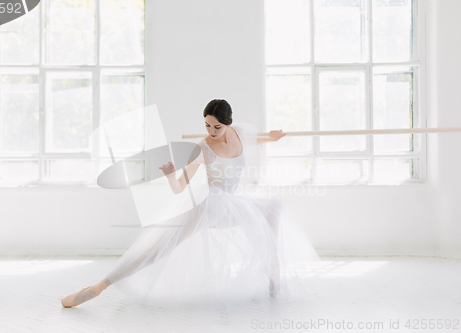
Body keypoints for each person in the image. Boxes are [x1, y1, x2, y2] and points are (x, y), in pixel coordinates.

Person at [61, 99, 321, 309]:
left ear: (228, 124)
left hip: (234, 204)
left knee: (273, 207)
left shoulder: (240, 133)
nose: (211, 131)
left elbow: (256, 140)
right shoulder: (202, 149)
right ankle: (100, 285)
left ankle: (273, 271)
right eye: (207, 125)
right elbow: (178, 189)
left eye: (216, 127)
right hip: (210, 206)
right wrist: (170, 175)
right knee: (160, 246)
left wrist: (273, 138)